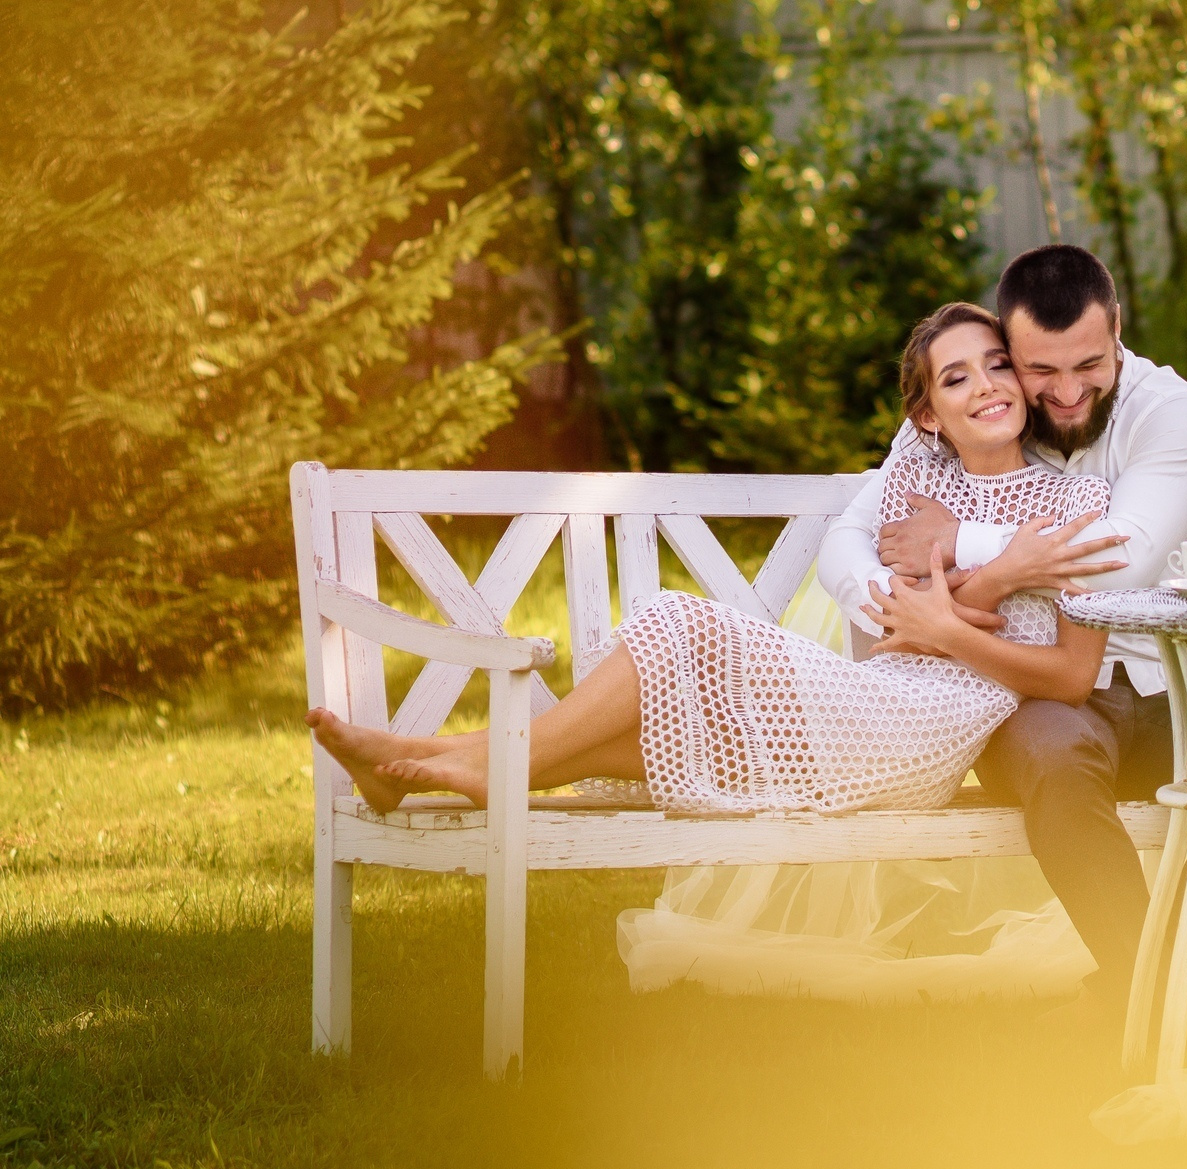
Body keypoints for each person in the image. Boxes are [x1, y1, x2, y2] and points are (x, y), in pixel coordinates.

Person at [304, 303, 1112, 817]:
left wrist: (959, 598)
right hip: (876, 694)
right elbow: (907, 619)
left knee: (679, 622)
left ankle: (476, 769)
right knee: (668, 721)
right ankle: (417, 765)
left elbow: (963, 627)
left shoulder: (1068, 495)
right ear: (927, 414)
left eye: (998, 364)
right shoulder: (916, 478)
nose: (985, 386)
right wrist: (991, 582)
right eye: (955, 377)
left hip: (919, 731)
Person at [816, 244, 1187, 1022]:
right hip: (1031, 681)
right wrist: (898, 609)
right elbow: (851, 538)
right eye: (1039, 370)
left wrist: (964, 548)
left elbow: (1117, 566)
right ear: (1009, 349)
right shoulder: (981, 398)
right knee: (1059, 764)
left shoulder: (1176, 413)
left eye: (1087, 364)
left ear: (1117, 327)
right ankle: (1158, 1010)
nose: (1064, 390)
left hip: (1165, 679)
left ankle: (1144, 980)